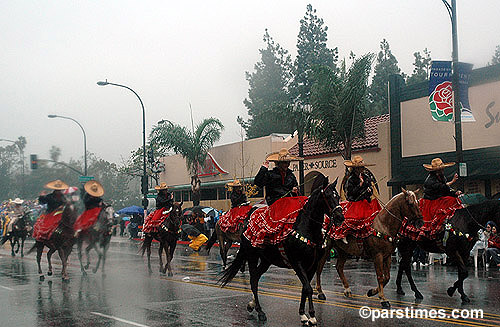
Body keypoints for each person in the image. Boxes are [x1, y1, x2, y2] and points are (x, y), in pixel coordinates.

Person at [338, 155, 381, 244]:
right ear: (355, 169)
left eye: (362, 168)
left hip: (365, 202)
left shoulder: (366, 177)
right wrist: (360, 186)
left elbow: (370, 190)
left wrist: (369, 190)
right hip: (355, 203)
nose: (362, 169)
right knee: (355, 219)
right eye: (360, 168)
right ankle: (345, 235)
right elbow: (350, 193)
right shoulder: (351, 179)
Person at [419, 158, 463, 239]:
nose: (443, 170)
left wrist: (455, 193)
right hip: (431, 201)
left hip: (440, 198)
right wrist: (452, 181)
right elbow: (440, 187)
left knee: (453, 199)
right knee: (448, 201)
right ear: (436, 171)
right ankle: (441, 227)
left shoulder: (442, 177)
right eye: (441, 169)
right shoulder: (430, 180)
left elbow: (446, 190)